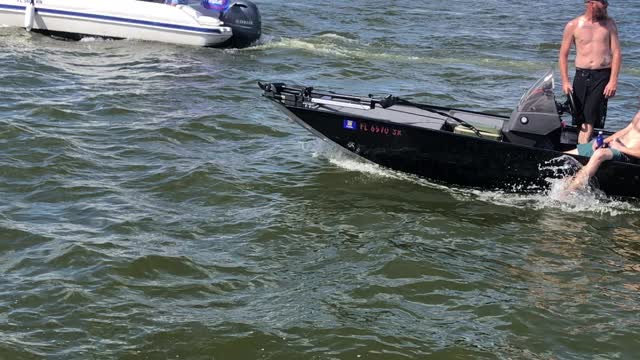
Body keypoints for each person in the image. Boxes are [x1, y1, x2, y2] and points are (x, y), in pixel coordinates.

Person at [559, 0, 621, 145]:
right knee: (580, 116)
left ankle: (581, 149)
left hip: (602, 75)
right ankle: (584, 146)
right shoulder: (573, 25)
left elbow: (617, 53)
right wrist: (565, 81)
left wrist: (613, 81)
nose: (606, 5)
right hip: (580, 75)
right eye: (602, 2)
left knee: (590, 115)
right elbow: (563, 54)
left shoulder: (609, 24)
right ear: (591, 3)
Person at [565, 111, 640, 190]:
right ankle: (555, 176)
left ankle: (571, 189)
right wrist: (604, 141)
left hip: (627, 154)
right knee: (567, 155)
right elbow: (625, 130)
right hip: (615, 145)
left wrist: (620, 148)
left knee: (600, 153)